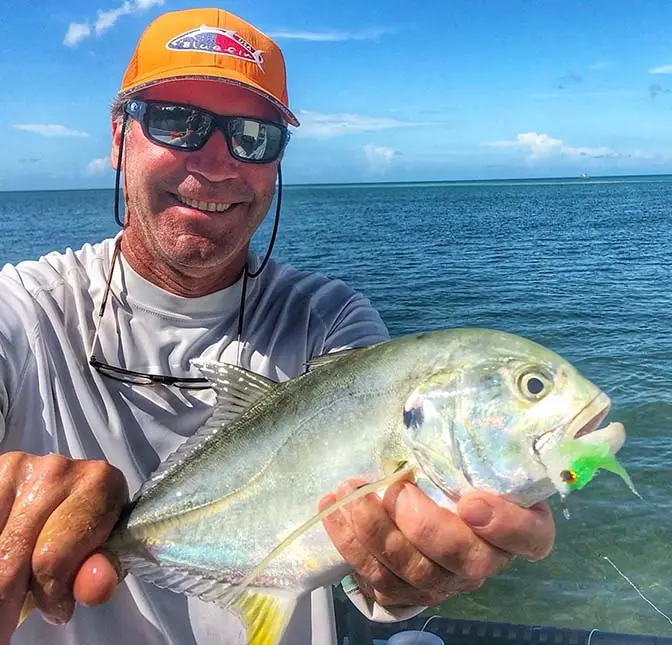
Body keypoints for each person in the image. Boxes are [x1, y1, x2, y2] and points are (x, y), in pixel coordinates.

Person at [0, 7, 556, 645]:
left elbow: (365, 548)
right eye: (176, 121)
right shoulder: (22, 308)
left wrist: (403, 572)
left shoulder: (328, 323)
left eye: (253, 136)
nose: (214, 162)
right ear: (119, 137)